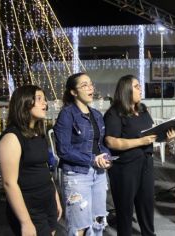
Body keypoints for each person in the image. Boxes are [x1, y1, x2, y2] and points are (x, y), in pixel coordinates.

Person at [104, 75, 175, 236]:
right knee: (125, 210)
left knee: (146, 205)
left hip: (146, 164)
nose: (140, 89)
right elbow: (111, 142)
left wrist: (166, 136)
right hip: (124, 168)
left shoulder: (142, 110)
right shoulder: (115, 113)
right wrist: (140, 142)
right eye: (136, 86)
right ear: (126, 90)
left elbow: (151, 135)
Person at [0, 85, 62, 235]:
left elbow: (45, 170)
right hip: (29, 208)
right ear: (24, 103)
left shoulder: (38, 134)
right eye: (39, 99)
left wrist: (55, 198)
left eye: (45, 99)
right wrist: (25, 222)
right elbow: (9, 183)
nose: (45, 103)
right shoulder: (11, 138)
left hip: (47, 202)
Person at [54, 73, 111, 236]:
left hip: (99, 174)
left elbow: (101, 145)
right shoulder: (67, 114)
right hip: (77, 175)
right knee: (80, 227)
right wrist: (93, 159)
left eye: (91, 84)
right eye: (84, 85)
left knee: (98, 222)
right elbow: (63, 150)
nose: (90, 87)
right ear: (73, 92)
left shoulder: (97, 115)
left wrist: (106, 157)